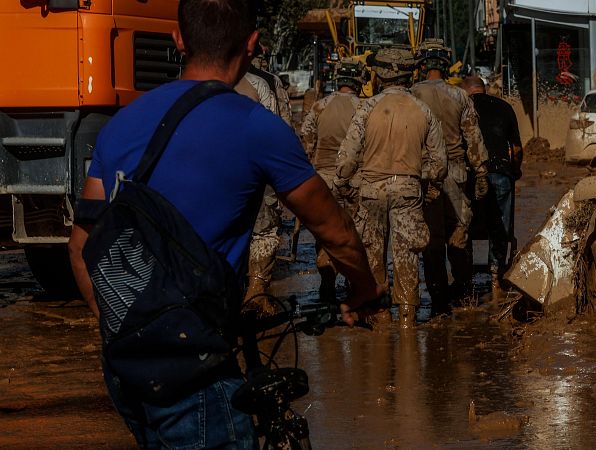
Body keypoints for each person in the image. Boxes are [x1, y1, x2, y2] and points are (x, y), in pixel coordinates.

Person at [67, 0, 382, 447]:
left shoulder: (119, 126)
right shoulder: (257, 126)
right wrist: (363, 289)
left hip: (126, 369)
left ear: (178, 40)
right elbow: (336, 232)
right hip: (194, 371)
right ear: (253, 45)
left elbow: (81, 247)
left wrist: (125, 328)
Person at [335, 47, 447, 328]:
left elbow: (346, 161)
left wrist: (344, 185)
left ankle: (379, 316)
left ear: (379, 74)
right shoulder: (423, 110)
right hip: (408, 190)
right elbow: (440, 163)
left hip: (371, 190)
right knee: (407, 254)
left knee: (373, 252)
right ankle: (408, 319)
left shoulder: (366, 108)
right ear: (411, 75)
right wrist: (424, 182)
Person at [411, 39, 489, 316]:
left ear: (421, 65)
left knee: (431, 242)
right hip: (457, 173)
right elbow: (474, 139)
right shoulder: (460, 96)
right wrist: (481, 173)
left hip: (424, 176)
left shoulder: (412, 96)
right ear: (445, 66)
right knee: (459, 236)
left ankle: (439, 303)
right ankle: (466, 296)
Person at [299, 58, 364, 302]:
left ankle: (327, 284)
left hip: (323, 180)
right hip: (353, 179)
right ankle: (353, 286)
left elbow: (306, 141)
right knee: (353, 234)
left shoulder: (320, 106)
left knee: (326, 234)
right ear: (358, 80)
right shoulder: (364, 108)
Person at [234, 64, 289, 312]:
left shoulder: (201, 80)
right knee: (264, 231)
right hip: (257, 170)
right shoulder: (263, 83)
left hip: (219, 170)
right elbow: (279, 130)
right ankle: (256, 293)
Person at [461, 76, 523, 291]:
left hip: (470, 175)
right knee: (501, 225)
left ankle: (466, 274)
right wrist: (515, 171)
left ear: (465, 91)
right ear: (484, 89)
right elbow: (515, 148)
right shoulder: (504, 107)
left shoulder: (462, 107)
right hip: (501, 174)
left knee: (467, 224)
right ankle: (496, 275)